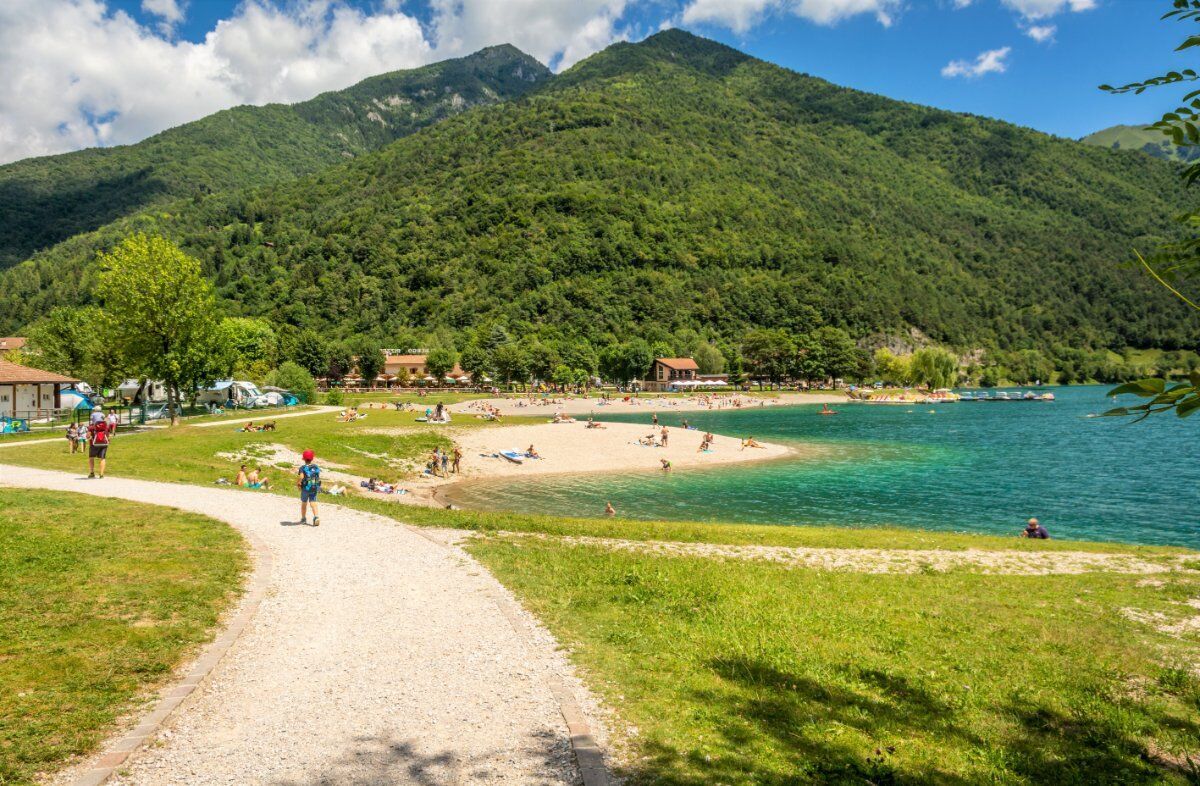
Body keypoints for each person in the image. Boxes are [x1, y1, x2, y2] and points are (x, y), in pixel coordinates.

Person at [297, 449, 321, 526]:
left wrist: (298, 483)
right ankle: (316, 517)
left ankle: (303, 518)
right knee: (313, 503)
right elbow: (317, 476)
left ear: (303, 458)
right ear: (312, 458)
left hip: (305, 488)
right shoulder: (316, 467)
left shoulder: (302, 468)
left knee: (304, 503)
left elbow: (301, 477)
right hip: (314, 488)